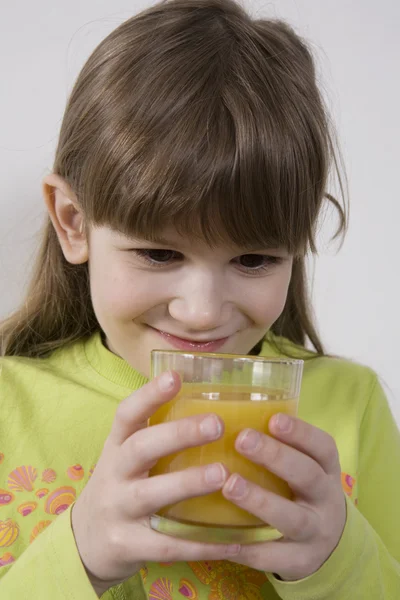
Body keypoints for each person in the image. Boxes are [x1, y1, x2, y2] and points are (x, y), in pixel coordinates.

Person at [1, 0, 399, 597]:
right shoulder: (8, 408)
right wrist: (79, 553)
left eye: (254, 259)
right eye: (159, 255)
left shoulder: (348, 405)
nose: (202, 311)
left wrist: (336, 560)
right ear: (73, 222)